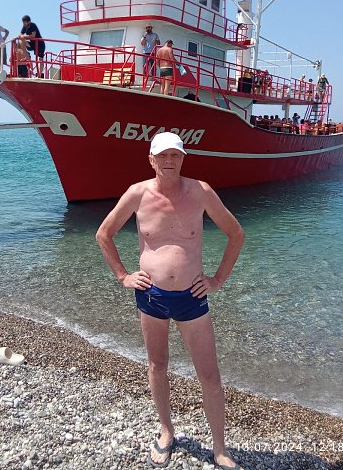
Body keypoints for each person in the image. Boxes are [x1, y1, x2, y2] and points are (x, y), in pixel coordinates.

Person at [96, 132, 245, 470]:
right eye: (162, 155)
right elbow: (104, 234)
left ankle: (220, 448)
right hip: (152, 295)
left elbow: (236, 234)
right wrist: (123, 276)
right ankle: (166, 431)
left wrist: (217, 280)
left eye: (175, 155)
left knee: (209, 374)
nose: (168, 161)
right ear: (151, 159)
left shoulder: (200, 191)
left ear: (182, 159)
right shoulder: (137, 193)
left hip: (192, 296)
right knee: (157, 365)